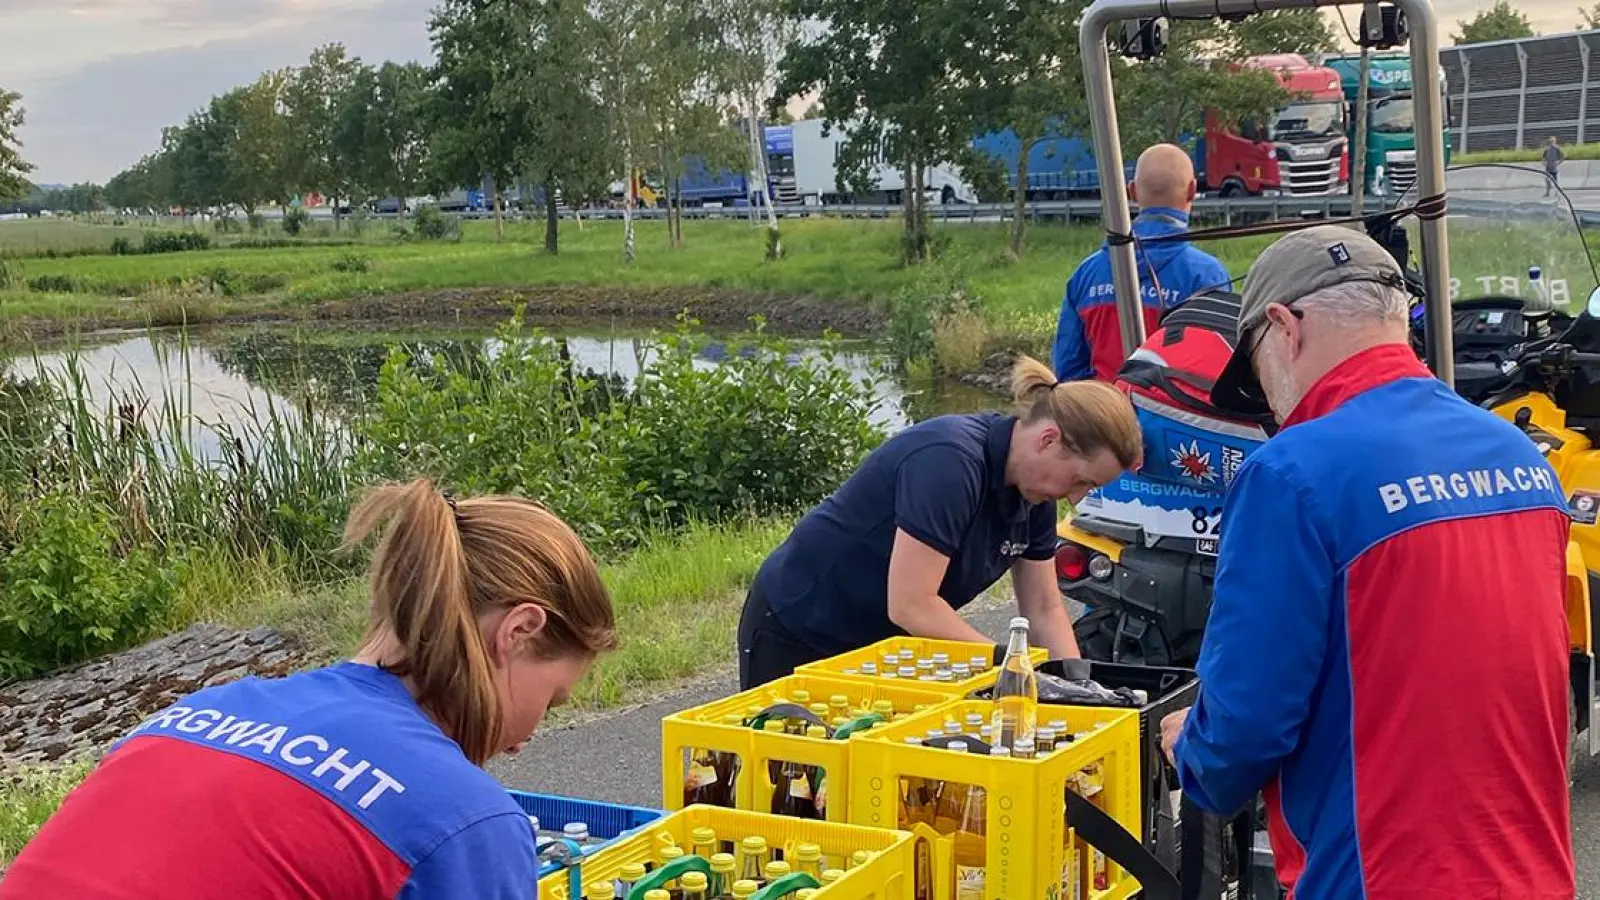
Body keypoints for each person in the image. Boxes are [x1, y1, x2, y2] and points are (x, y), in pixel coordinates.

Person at [1158, 226, 1575, 898]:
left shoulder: (1292, 473)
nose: (1269, 404)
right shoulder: (1521, 459)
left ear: (1284, 327)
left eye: (1259, 373)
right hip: (1531, 872)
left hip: (1380, 876)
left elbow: (1247, 723)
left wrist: (1193, 749)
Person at [0, 480, 618, 899]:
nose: (522, 743)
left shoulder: (201, 711)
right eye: (551, 698)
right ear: (517, 631)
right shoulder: (463, 820)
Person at [737, 355, 1143, 689]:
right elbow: (912, 604)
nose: (1076, 498)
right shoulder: (949, 462)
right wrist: (1011, 666)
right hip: (800, 627)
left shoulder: (1035, 494)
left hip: (882, 645)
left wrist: (1077, 684)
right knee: (793, 782)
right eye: (1080, 481)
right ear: (1048, 439)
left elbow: (1043, 606)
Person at [1053, 143, 1232, 383]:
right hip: (1171, 418)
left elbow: (1068, 372)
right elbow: (1216, 371)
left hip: (1102, 416)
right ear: (1192, 190)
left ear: (1132, 192)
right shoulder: (1208, 277)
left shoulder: (1086, 274)